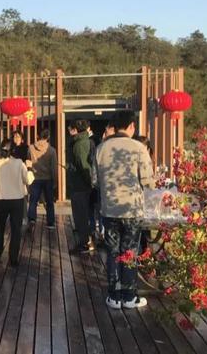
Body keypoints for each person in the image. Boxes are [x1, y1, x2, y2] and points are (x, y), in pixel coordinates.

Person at [92, 111, 154, 310]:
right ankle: (129, 296)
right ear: (131, 126)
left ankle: (114, 296)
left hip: (109, 209)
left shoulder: (101, 148)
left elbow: (95, 181)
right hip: (132, 210)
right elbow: (148, 180)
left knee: (112, 252)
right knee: (129, 252)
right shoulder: (139, 148)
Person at [0, 139, 32, 267]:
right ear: (13, 150)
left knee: (0, 227)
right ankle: (13, 258)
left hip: (1, 199)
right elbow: (28, 180)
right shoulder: (19, 163)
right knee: (16, 229)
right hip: (17, 199)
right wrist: (29, 168)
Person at [68, 119, 94, 254]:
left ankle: (84, 243)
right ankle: (87, 240)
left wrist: (89, 182)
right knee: (84, 215)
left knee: (80, 216)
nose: (69, 131)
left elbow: (83, 166)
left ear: (75, 130)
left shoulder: (78, 144)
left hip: (80, 186)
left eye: (70, 129)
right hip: (83, 185)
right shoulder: (87, 141)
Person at [27, 129, 58, 228]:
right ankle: (50, 222)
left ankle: (32, 219)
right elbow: (54, 167)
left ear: (38, 136)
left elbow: (28, 162)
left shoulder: (31, 148)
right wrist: (55, 181)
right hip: (48, 178)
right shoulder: (51, 150)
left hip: (35, 178)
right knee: (49, 202)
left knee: (33, 201)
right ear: (48, 137)